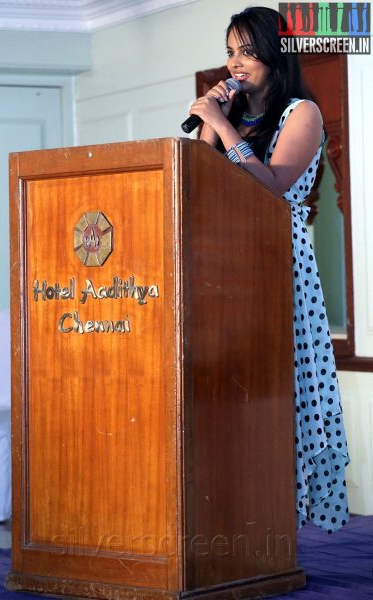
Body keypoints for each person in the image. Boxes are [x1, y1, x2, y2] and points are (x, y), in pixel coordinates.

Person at [189, 6, 350, 533]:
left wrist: (218, 125)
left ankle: (274, 526)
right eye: (229, 51)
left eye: (246, 51)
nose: (234, 62)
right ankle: (233, 520)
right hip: (227, 271)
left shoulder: (300, 112)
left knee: (276, 396)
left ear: (274, 54)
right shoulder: (230, 116)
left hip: (279, 267)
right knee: (233, 396)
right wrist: (213, 125)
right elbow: (199, 185)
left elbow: (275, 187)